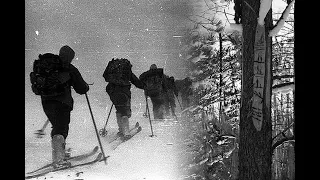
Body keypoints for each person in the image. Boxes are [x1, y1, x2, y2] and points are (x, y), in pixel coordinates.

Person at [40, 45, 90, 167]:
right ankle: (59, 160)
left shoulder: (48, 66)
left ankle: (59, 154)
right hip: (62, 103)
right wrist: (85, 87)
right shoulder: (69, 68)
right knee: (61, 128)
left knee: (57, 127)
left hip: (46, 101)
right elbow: (81, 88)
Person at [103, 58, 144, 139]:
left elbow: (105, 76)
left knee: (119, 110)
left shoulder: (112, 71)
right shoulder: (127, 71)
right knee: (125, 112)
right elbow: (136, 81)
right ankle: (126, 132)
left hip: (112, 92)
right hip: (124, 93)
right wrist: (144, 86)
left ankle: (121, 130)